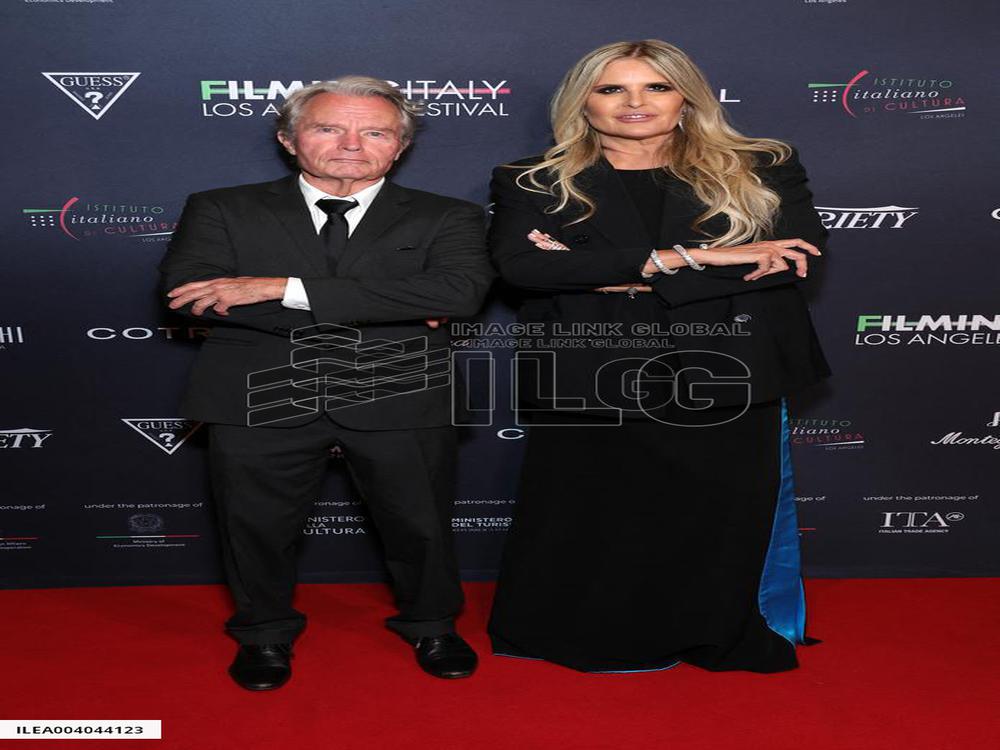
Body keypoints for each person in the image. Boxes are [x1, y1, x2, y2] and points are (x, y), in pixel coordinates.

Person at [487, 40, 830, 674]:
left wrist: (607, 275)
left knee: (716, 516)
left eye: (656, 87)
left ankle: (716, 629)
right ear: (583, 102)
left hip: (729, 367)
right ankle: (593, 633)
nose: (635, 104)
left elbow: (793, 259)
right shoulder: (532, 179)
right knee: (597, 516)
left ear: (687, 96)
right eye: (612, 89)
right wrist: (698, 258)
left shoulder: (761, 164)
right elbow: (522, 269)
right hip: (592, 369)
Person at [159, 77, 494, 689]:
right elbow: (192, 298)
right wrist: (389, 304)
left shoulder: (451, 216)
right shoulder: (221, 207)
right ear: (289, 139)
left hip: (400, 387)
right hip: (257, 388)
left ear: (399, 146)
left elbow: (458, 294)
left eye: (375, 131)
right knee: (254, 525)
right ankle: (263, 634)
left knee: (419, 523)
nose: (351, 144)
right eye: (328, 128)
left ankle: (432, 623)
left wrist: (274, 287)